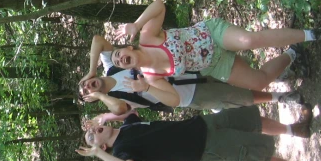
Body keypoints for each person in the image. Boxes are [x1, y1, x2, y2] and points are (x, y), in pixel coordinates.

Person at [80, 1, 321, 97]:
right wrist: (147, 88)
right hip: (213, 64)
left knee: (249, 41)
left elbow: (160, 6)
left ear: (126, 46)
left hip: (211, 35)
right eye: (118, 61)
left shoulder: (147, 36)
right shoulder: (150, 76)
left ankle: (314, 34)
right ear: (128, 67)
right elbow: (174, 100)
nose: (120, 58)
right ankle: (293, 53)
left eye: (117, 53)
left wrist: (136, 24)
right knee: (258, 82)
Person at [76, 106, 321, 161]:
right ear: (102, 146)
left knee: (250, 119)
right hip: (202, 149)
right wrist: (99, 154)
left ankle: (295, 129)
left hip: (202, 124)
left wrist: (109, 116)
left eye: (94, 129)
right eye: (92, 136)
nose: (95, 131)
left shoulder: (127, 126)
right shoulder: (120, 152)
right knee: (257, 156)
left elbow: (129, 109)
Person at [78, 36, 304, 114]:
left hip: (190, 67)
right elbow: (119, 109)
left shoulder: (111, 65)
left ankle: (289, 61)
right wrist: (99, 96)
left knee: (243, 73)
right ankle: (280, 97)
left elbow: (98, 40)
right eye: (87, 92)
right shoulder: (114, 100)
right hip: (189, 94)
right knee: (241, 97)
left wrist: (90, 70)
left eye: (86, 84)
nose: (90, 86)